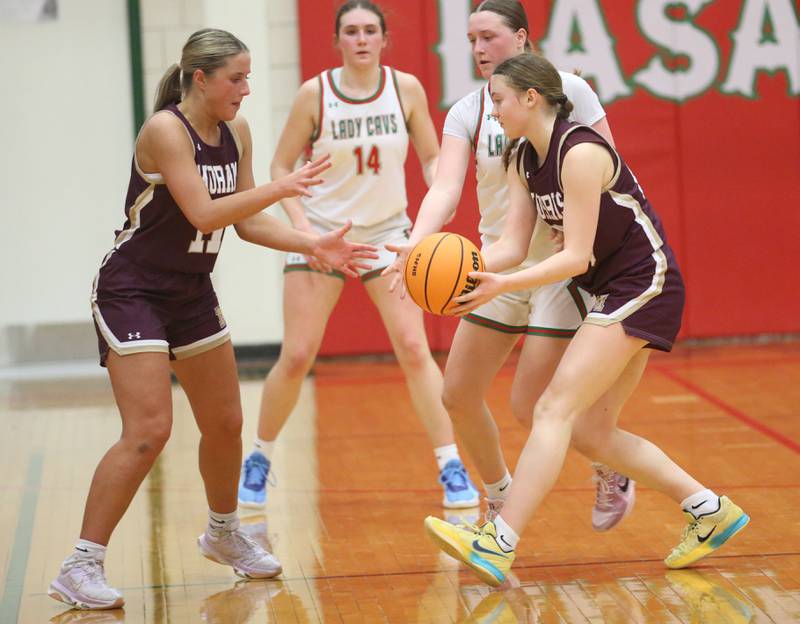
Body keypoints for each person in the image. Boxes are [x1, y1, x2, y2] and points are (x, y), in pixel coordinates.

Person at [48, 28, 377, 611]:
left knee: (225, 422)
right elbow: (203, 212)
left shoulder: (237, 130)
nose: (246, 89)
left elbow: (246, 224)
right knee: (149, 430)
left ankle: (223, 533)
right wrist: (281, 186)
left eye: (249, 77)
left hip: (191, 290)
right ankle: (82, 563)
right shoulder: (165, 130)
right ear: (200, 78)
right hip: (133, 290)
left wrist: (311, 244)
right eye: (236, 78)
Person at [424, 52, 749, 586]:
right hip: (610, 288)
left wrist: (501, 285)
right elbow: (510, 245)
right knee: (594, 432)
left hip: (645, 282)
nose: (493, 109)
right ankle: (709, 509)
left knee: (552, 407)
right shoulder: (521, 157)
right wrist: (464, 269)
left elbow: (574, 257)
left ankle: (497, 541)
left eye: (499, 99)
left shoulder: (579, 151)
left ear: (531, 97)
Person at [383, 0, 633, 530]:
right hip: (495, 260)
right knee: (458, 394)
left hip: (559, 270)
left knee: (531, 406)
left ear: (521, 39)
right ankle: (498, 493)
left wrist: (588, 224)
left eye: (489, 37)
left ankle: (608, 466)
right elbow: (446, 186)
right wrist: (419, 243)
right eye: (471, 39)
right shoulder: (468, 110)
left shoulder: (571, 90)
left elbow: (610, 164)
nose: (478, 49)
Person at [238, 0, 480, 510]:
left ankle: (450, 463)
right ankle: (258, 457)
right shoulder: (316, 94)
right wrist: (306, 235)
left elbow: (433, 156)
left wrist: (440, 190)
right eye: (352, 31)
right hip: (325, 231)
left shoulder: (405, 88)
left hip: (389, 231)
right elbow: (282, 165)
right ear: (338, 40)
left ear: (385, 38)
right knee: (299, 354)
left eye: (371, 30)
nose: (362, 39)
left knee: (415, 349)